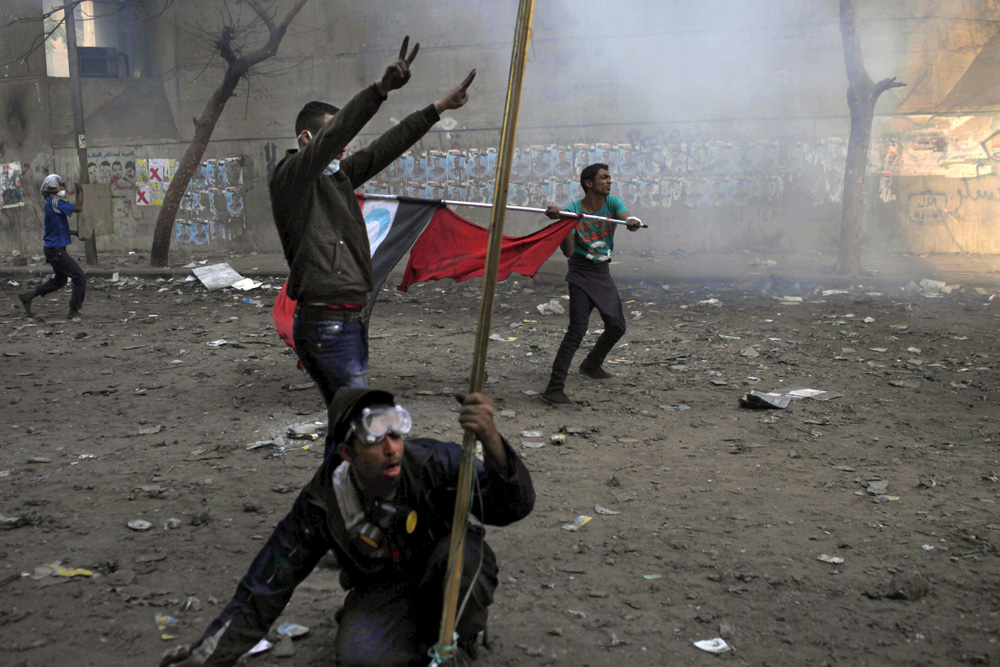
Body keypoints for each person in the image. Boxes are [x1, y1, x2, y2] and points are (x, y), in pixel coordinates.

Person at [159, 389, 535, 667]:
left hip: (445, 574)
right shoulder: (321, 504)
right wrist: (206, 656)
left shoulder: (436, 461)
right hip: (381, 589)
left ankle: (457, 645)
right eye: (376, 439)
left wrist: (492, 440)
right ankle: (413, 635)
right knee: (360, 659)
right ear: (347, 454)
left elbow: (513, 507)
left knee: (467, 555)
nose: (393, 449)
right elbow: (265, 587)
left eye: (396, 434)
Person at [269, 36, 475, 460]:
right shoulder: (292, 176)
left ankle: (334, 498)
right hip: (327, 324)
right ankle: (344, 501)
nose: (342, 146)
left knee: (346, 427)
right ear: (307, 138)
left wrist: (437, 108)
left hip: (347, 318)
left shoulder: (336, 176)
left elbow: (383, 148)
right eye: (331, 136)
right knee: (363, 425)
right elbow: (341, 133)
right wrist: (379, 91)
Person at [540, 163, 641, 405]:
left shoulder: (613, 203)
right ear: (588, 183)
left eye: (609, 178)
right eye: (604, 178)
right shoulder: (573, 211)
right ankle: (554, 389)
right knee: (577, 331)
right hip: (580, 273)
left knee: (617, 326)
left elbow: (626, 217)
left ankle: (591, 365)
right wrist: (563, 224)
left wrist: (631, 221)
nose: (609, 181)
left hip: (602, 271)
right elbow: (568, 252)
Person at [18, 174, 86, 319]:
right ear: (54, 189)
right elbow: (78, 208)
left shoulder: (53, 204)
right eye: (61, 186)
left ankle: (28, 296)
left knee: (60, 280)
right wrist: (81, 192)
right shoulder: (55, 203)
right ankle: (73, 310)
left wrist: (75, 233)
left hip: (54, 249)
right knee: (79, 277)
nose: (63, 188)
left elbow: (58, 228)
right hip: (55, 250)